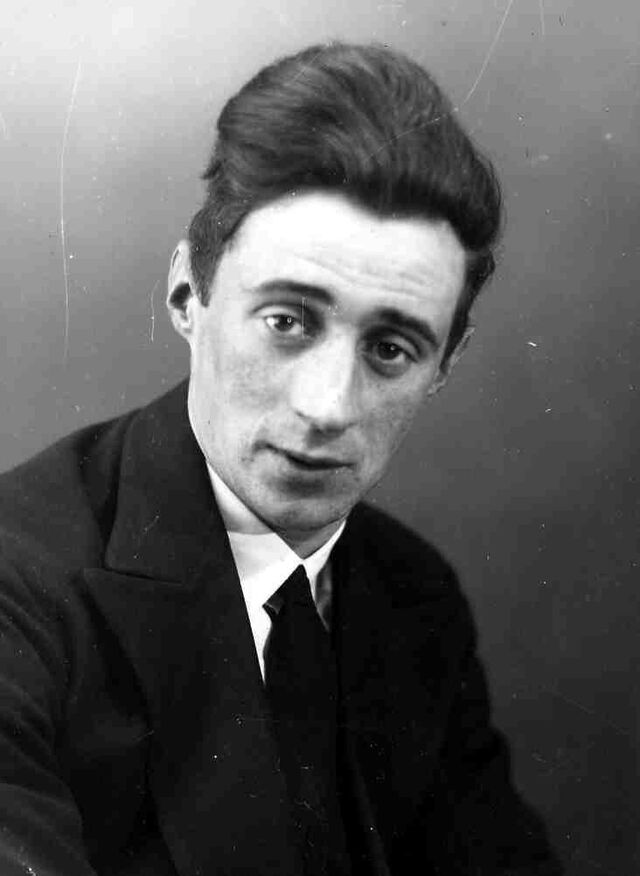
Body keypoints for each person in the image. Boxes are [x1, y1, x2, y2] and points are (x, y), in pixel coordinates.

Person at [0, 42, 562, 876]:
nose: (327, 406)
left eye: (392, 349)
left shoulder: (412, 594)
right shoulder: (19, 589)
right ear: (189, 294)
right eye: (287, 321)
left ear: (446, 364)